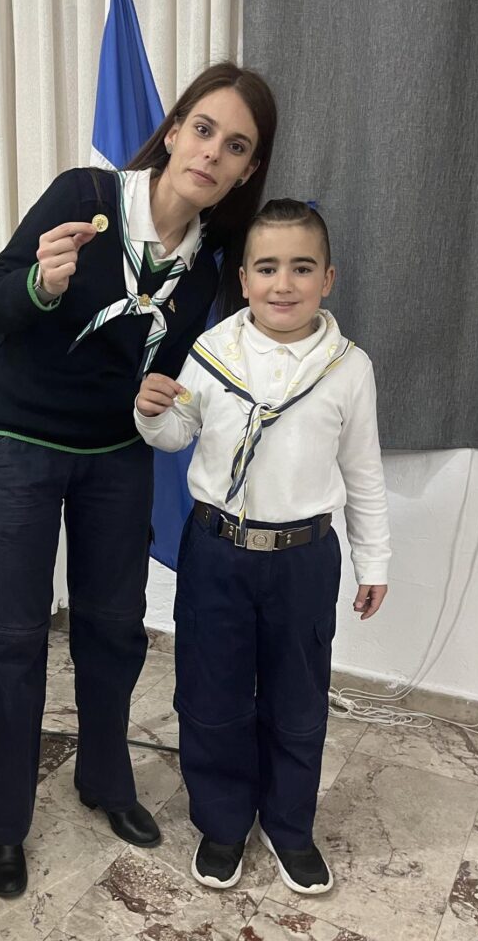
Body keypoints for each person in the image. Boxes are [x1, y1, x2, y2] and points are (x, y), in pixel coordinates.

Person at [0, 61, 277, 898]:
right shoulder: (84, 194)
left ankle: (104, 777)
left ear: (246, 169)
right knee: (8, 635)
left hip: (116, 460)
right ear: (173, 133)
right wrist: (40, 282)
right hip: (18, 444)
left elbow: (165, 381)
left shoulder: (209, 268)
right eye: (202, 129)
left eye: (234, 146)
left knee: (114, 629)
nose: (211, 153)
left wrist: (160, 402)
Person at [134, 198, 390, 896]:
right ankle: (222, 823)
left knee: (297, 701)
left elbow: (364, 472)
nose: (284, 284)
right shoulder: (212, 353)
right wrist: (150, 412)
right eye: (268, 268)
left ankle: (289, 826)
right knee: (211, 694)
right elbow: (176, 434)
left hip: (304, 558)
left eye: (301, 268)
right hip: (217, 553)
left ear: (327, 279)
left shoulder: (349, 368)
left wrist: (375, 561)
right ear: (243, 279)